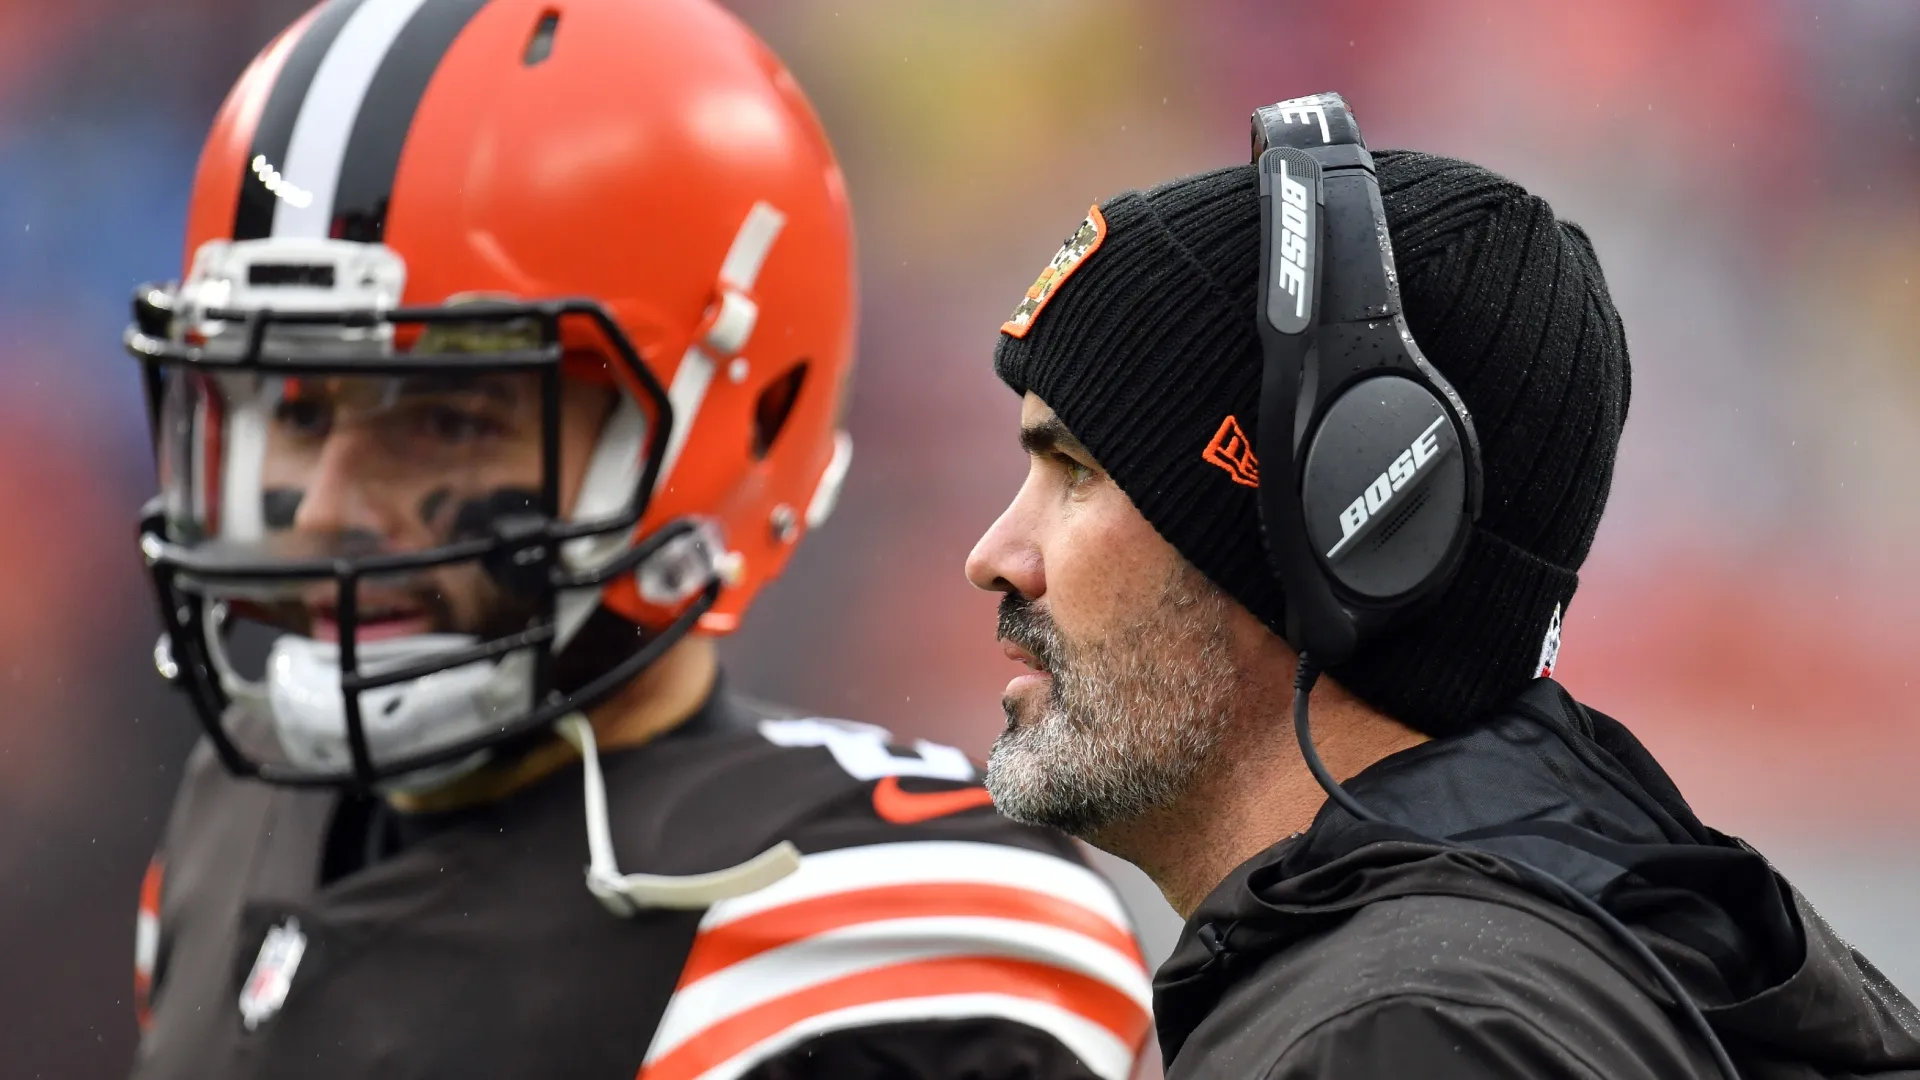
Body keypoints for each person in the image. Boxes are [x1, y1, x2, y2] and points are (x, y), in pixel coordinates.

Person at [122, 2, 1152, 1078]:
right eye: (297, 412)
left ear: (733, 424)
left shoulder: (884, 920)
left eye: (444, 421)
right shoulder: (238, 816)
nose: (327, 505)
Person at [965, 93, 1920, 1079]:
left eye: (1075, 470)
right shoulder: (1548, 973)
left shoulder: (1392, 1035)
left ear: (1343, 521)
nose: (994, 554)